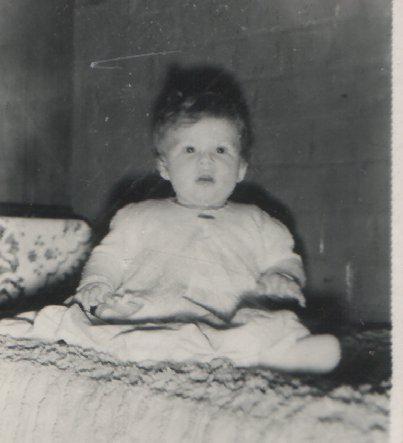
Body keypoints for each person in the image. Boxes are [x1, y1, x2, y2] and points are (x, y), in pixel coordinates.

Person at [69, 65, 341, 373]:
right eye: (190, 149)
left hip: (227, 318)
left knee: (265, 327)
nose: (206, 160)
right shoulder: (139, 215)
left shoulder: (258, 221)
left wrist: (283, 277)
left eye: (221, 150)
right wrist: (98, 282)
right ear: (164, 167)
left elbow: (283, 258)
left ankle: (279, 353)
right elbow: (110, 256)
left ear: (240, 169)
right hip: (156, 313)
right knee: (108, 332)